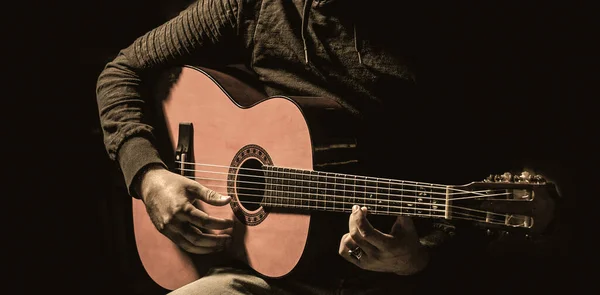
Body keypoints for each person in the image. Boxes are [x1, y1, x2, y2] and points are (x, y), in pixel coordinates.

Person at [95, 0, 550, 294]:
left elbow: (456, 194)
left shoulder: (440, 39)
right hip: (257, 272)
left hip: (367, 281)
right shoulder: (251, 7)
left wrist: (416, 260)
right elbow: (122, 72)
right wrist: (148, 175)